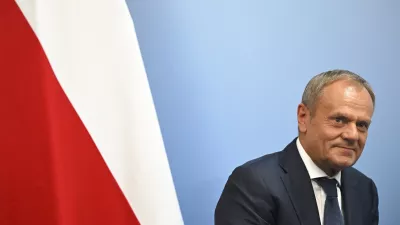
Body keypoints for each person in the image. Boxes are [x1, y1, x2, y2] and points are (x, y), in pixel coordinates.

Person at [215, 70, 379, 225]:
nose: (353, 135)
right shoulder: (254, 183)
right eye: (339, 120)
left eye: (362, 125)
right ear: (303, 117)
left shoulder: (365, 189)